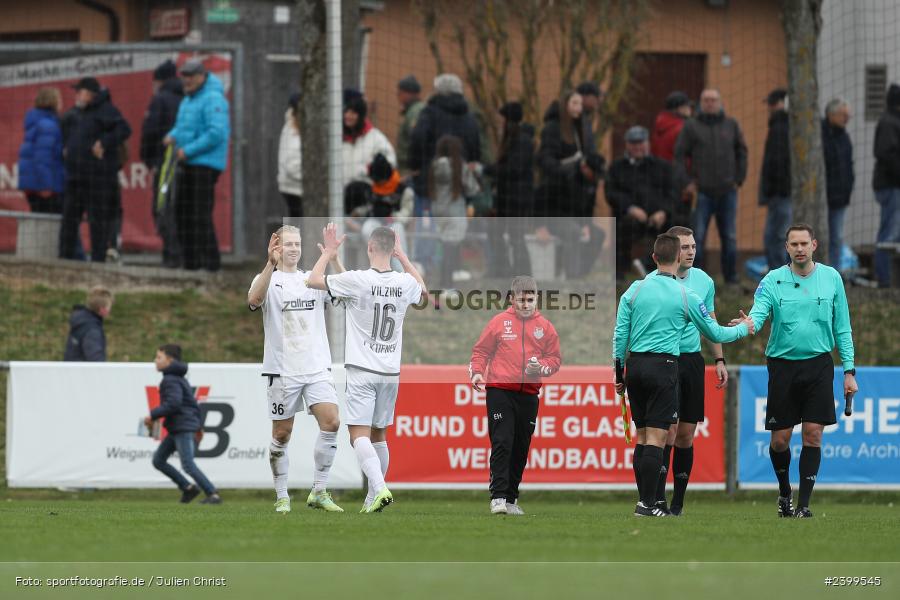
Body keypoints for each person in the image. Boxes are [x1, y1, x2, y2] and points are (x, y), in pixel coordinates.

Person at [614, 233, 752, 517]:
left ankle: (645, 501)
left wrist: (619, 371)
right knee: (656, 437)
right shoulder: (687, 295)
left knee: (642, 437)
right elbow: (714, 331)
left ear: (653, 258)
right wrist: (745, 327)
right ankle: (648, 505)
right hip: (664, 366)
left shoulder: (634, 290)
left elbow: (620, 334)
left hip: (635, 367)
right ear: (678, 259)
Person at [736, 224, 856, 517]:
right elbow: (759, 312)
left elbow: (842, 327)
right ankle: (784, 493)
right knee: (780, 440)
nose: (800, 248)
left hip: (818, 365)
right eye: (794, 244)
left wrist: (849, 371)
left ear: (814, 244)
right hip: (783, 367)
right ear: (786, 248)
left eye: (805, 243)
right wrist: (748, 324)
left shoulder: (831, 278)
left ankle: (803, 505)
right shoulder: (773, 280)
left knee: (813, 435)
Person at [306, 225, 427, 513]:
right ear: (393, 249)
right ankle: (373, 495)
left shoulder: (357, 280)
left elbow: (312, 280)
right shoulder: (402, 282)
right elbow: (423, 290)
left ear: (369, 248)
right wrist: (405, 259)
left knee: (358, 436)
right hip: (389, 372)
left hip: (362, 370)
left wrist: (329, 254)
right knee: (379, 436)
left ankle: (380, 487)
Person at [247, 224, 346, 513]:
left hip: (315, 367)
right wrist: (269, 264)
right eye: (287, 244)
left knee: (332, 422)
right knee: (282, 434)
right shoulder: (268, 279)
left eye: (297, 244)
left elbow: (348, 290)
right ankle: (282, 496)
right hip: (282, 370)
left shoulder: (310, 279)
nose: (293, 249)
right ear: (276, 248)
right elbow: (253, 300)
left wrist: (333, 257)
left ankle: (319, 490)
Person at [646, 226, 728, 516]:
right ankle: (657, 500)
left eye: (693, 246)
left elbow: (711, 320)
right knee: (665, 431)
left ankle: (678, 504)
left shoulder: (704, 281)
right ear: (671, 250)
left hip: (691, 362)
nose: (691, 252)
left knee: (685, 435)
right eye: (684, 247)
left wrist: (719, 360)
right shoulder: (651, 283)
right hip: (664, 360)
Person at [469, 275, 561, 515]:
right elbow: (480, 351)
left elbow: (555, 360)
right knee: (503, 442)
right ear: (512, 299)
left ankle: (511, 498)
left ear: (536, 299)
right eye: (521, 299)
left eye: (530, 299)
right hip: (500, 390)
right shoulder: (499, 322)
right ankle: (497, 496)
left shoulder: (546, 327)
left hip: (529, 394)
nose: (526, 304)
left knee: (521, 446)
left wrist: (541, 368)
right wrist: (477, 373)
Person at [674, 88, 748, 283]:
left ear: (720, 102)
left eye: (713, 100)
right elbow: (679, 155)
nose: (710, 103)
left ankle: (731, 280)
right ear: (700, 103)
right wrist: (687, 182)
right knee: (696, 237)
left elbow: (742, 151)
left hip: (727, 191)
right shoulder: (691, 126)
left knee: (730, 236)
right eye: (706, 100)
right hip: (702, 192)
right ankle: (694, 281)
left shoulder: (731, 125)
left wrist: (739, 178)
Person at [164, 60, 230, 272]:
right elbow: (182, 128)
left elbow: (216, 133)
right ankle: (191, 264)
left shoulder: (213, 99)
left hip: (205, 166)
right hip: (186, 164)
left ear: (203, 76)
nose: (187, 79)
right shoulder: (188, 100)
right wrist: (172, 137)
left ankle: (211, 265)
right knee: (182, 213)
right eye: (184, 75)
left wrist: (188, 150)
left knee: (200, 215)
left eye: (191, 75)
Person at [59, 77, 131, 262]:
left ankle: (98, 260)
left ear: (90, 94)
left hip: (97, 178)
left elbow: (124, 129)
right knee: (69, 220)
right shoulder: (74, 114)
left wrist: (103, 143)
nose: (77, 95)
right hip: (75, 177)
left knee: (97, 222)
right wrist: (66, 148)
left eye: (80, 91)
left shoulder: (106, 110)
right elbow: (68, 135)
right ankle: (64, 259)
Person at [535, 91, 605, 279]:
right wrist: (540, 224)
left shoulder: (582, 129)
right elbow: (545, 163)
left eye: (580, 104)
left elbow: (584, 205)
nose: (579, 108)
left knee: (596, 234)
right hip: (555, 210)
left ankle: (580, 274)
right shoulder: (552, 129)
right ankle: (572, 277)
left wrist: (586, 224)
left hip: (573, 207)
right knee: (573, 232)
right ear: (565, 105)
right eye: (574, 103)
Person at [146, 344, 222, 505]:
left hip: (183, 427)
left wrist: (152, 415)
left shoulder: (170, 379)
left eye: (159, 357)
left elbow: (174, 404)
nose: (155, 360)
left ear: (170, 360)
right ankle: (187, 487)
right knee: (158, 460)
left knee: (187, 464)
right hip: (178, 427)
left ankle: (212, 494)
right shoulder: (177, 377)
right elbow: (191, 404)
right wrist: (198, 425)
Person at [605, 125, 675, 278]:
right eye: (633, 143)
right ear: (627, 145)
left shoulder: (662, 166)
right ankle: (619, 275)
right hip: (629, 217)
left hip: (659, 217)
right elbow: (611, 193)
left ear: (647, 144)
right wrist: (630, 208)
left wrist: (663, 211)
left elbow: (671, 193)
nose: (637, 147)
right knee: (621, 229)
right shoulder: (617, 167)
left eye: (640, 142)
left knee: (677, 228)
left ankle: (662, 272)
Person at [140, 59, 184, 268]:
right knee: (181, 208)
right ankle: (181, 254)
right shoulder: (187, 98)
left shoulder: (160, 100)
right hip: (186, 162)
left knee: (163, 207)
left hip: (164, 162)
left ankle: (171, 254)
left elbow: (150, 131)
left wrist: (149, 160)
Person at [484, 101, 534, 278]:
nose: (501, 123)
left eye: (503, 119)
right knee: (499, 234)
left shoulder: (522, 142)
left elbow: (513, 169)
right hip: (507, 198)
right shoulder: (511, 141)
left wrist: (487, 170)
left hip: (517, 200)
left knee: (516, 237)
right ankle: (503, 270)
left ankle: (524, 273)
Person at [428, 134, 480, 290]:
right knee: (450, 247)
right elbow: (473, 189)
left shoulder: (434, 166)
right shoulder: (459, 166)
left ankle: (443, 282)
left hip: (438, 211)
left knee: (445, 246)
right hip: (455, 210)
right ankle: (447, 285)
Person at [18, 86, 65, 214]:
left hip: (38, 186)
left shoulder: (38, 121)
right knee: (49, 228)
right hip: (45, 189)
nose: (61, 102)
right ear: (53, 101)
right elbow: (42, 158)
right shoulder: (47, 124)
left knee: (41, 226)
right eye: (59, 99)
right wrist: (46, 186)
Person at [759, 89, 791, 272]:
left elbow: (777, 162)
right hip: (780, 192)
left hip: (781, 192)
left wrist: (774, 189)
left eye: (772, 103)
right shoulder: (780, 125)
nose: (769, 108)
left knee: (776, 236)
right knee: (777, 235)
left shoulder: (779, 126)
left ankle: (778, 275)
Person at [651, 91, 693, 228]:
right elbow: (687, 158)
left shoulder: (659, 125)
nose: (690, 110)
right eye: (687, 106)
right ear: (679, 108)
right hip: (680, 181)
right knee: (683, 224)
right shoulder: (683, 128)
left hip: (660, 180)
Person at [821, 98, 854, 269]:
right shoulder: (820, 134)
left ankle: (834, 272)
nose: (847, 119)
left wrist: (848, 189)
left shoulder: (844, 137)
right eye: (843, 115)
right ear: (831, 115)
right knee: (817, 235)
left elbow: (849, 166)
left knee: (837, 237)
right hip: (821, 196)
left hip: (839, 196)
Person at [873, 83, 900, 288]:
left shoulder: (891, 121)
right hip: (891, 185)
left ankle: (889, 277)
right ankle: (884, 278)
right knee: (889, 233)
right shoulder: (889, 123)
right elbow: (886, 154)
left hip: (891, 184)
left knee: (892, 232)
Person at [342, 94, 396, 189]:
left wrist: (377, 169)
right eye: (346, 112)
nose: (348, 116)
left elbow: (390, 162)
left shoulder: (375, 137)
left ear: (361, 115)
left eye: (353, 113)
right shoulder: (336, 139)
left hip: (366, 193)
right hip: (339, 194)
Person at [63, 286, 113, 361]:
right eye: (109, 307)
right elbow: (96, 360)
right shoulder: (92, 331)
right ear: (102, 310)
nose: (110, 310)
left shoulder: (81, 321)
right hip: (81, 372)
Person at [277, 92, 303, 218]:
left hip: (292, 187)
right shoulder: (293, 130)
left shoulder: (292, 127)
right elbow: (292, 166)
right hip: (295, 189)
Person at [395, 75, 425, 175]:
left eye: (400, 93)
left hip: (410, 170)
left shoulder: (415, 111)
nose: (398, 97)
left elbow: (417, 140)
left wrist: (414, 169)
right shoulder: (414, 110)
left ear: (409, 93)